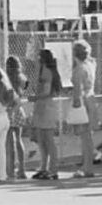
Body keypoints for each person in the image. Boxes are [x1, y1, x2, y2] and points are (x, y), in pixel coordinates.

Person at [31, 49, 63, 180]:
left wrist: (35, 97)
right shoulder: (41, 71)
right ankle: (43, 167)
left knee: (49, 140)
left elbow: (46, 91)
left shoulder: (47, 72)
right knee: (41, 141)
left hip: (46, 107)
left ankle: (53, 169)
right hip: (40, 107)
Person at [69, 40, 98, 179]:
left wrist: (75, 104)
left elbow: (77, 89)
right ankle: (88, 166)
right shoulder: (90, 65)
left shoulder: (79, 69)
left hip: (82, 102)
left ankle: (87, 167)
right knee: (88, 136)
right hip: (91, 98)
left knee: (85, 136)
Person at [4, 56, 28, 180]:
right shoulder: (22, 78)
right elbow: (25, 89)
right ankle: (22, 169)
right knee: (19, 140)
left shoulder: (6, 79)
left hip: (8, 110)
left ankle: (11, 170)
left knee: (10, 142)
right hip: (18, 109)